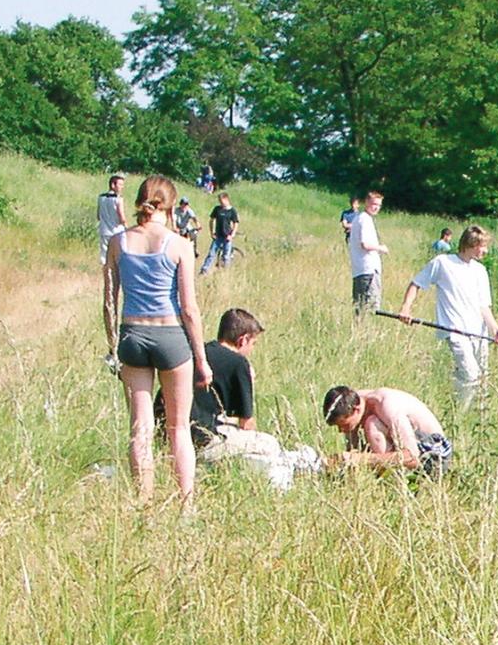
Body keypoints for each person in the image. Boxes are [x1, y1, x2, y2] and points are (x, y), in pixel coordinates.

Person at [103, 173, 208, 507]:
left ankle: (144, 502)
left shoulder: (118, 242)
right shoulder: (180, 245)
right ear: (171, 206)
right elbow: (189, 309)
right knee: (178, 428)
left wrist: (112, 347)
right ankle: (186, 505)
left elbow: (109, 301)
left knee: (140, 428)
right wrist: (202, 359)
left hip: (132, 334)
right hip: (170, 336)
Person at [157, 307, 319, 489]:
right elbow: (246, 424)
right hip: (202, 442)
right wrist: (249, 382)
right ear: (243, 340)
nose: (252, 349)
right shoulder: (238, 364)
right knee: (270, 444)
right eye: (253, 343)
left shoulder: (198, 354)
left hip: (166, 437)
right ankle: (300, 464)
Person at [396, 224, 498, 407]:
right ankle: (459, 415)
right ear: (471, 244)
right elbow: (416, 283)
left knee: (482, 380)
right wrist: (406, 308)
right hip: (455, 332)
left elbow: (484, 307)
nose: (486, 251)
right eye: (482, 246)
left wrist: (495, 329)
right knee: (470, 375)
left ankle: (478, 416)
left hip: (479, 334)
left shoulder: (480, 271)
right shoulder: (442, 263)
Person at [322, 385, 451, 477]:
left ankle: (393, 481)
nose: (341, 431)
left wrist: (361, 459)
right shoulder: (351, 402)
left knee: (372, 424)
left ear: (356, 410)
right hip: (413, 451)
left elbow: (412, 456)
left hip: (433, 455)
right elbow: (353, 451)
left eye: (344, 425)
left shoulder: (386, 405)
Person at [349, 190, 388, 316]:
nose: (376, 207)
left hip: (360, 270)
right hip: (368, 270)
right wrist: (381, 248)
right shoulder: (365, 219)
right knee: (370, 307)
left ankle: (359, 327)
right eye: (374, 204)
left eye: (379, 205)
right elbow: (365, 244)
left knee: (360, 308)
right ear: (366, 202)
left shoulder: (359, 219)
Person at [200, 191, 239, 274]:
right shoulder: (217, 209)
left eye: (221, 201)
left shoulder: (232, 211)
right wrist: (211, 232)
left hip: (227, 237)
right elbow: (211, 220)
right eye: (219, 201)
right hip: (218, 236)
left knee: (226, 256)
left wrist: (232, 235)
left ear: (226, 199)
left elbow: (235, 223)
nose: (220, 202)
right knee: (211, 254)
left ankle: (225, 272)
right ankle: (204, 270)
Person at [96, 172, 127, 266]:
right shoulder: (118, 199)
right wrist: (126, 226)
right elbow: (121, 216)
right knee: (118, 256)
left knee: (104, 257)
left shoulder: (101, 198)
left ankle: (106, 274)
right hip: (117, 231)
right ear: (113, 185)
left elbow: (98, 216)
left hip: (104, 231)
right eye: (120, 184)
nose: (122, 187)